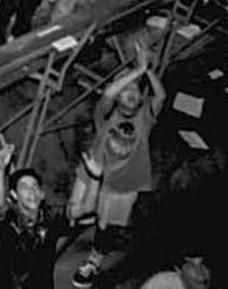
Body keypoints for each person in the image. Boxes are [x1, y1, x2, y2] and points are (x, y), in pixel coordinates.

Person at [70, 40, 164, 289]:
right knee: (75, 213)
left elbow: (161, 95)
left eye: (135, 90)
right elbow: (108, 93)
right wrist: (137, 70)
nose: (131, 93)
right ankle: (89, 217)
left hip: (124, 186)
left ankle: (93, 261)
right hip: (93, 173)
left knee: (106, 227)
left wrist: (147, 71)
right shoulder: (105, 115)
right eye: (126, 89)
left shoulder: (146, 118)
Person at [0, 143, 73, 289]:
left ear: (42, 194)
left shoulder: (50, 219)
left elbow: (81, 210)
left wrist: (89, 179)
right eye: (24, 187)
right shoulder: (10, 219)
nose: (31, 191)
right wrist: (0, 170)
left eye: (35, 187)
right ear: (13, 195)